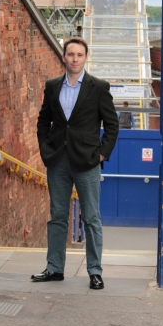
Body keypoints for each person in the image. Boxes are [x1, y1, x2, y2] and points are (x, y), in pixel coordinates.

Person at [32, 37, 119, 290]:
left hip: (87, 161)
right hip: (58, 160)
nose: (75, 59)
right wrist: (44, 146)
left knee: (91, 218)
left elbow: (112, 125)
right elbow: (43, 120)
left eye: (80, 55)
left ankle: (94, 271)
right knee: (57, 216)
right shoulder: (52, 86)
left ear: (85, 57)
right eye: (71, 54)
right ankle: (54, 268)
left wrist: (102, 153)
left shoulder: (99, 87)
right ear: (64, 57)